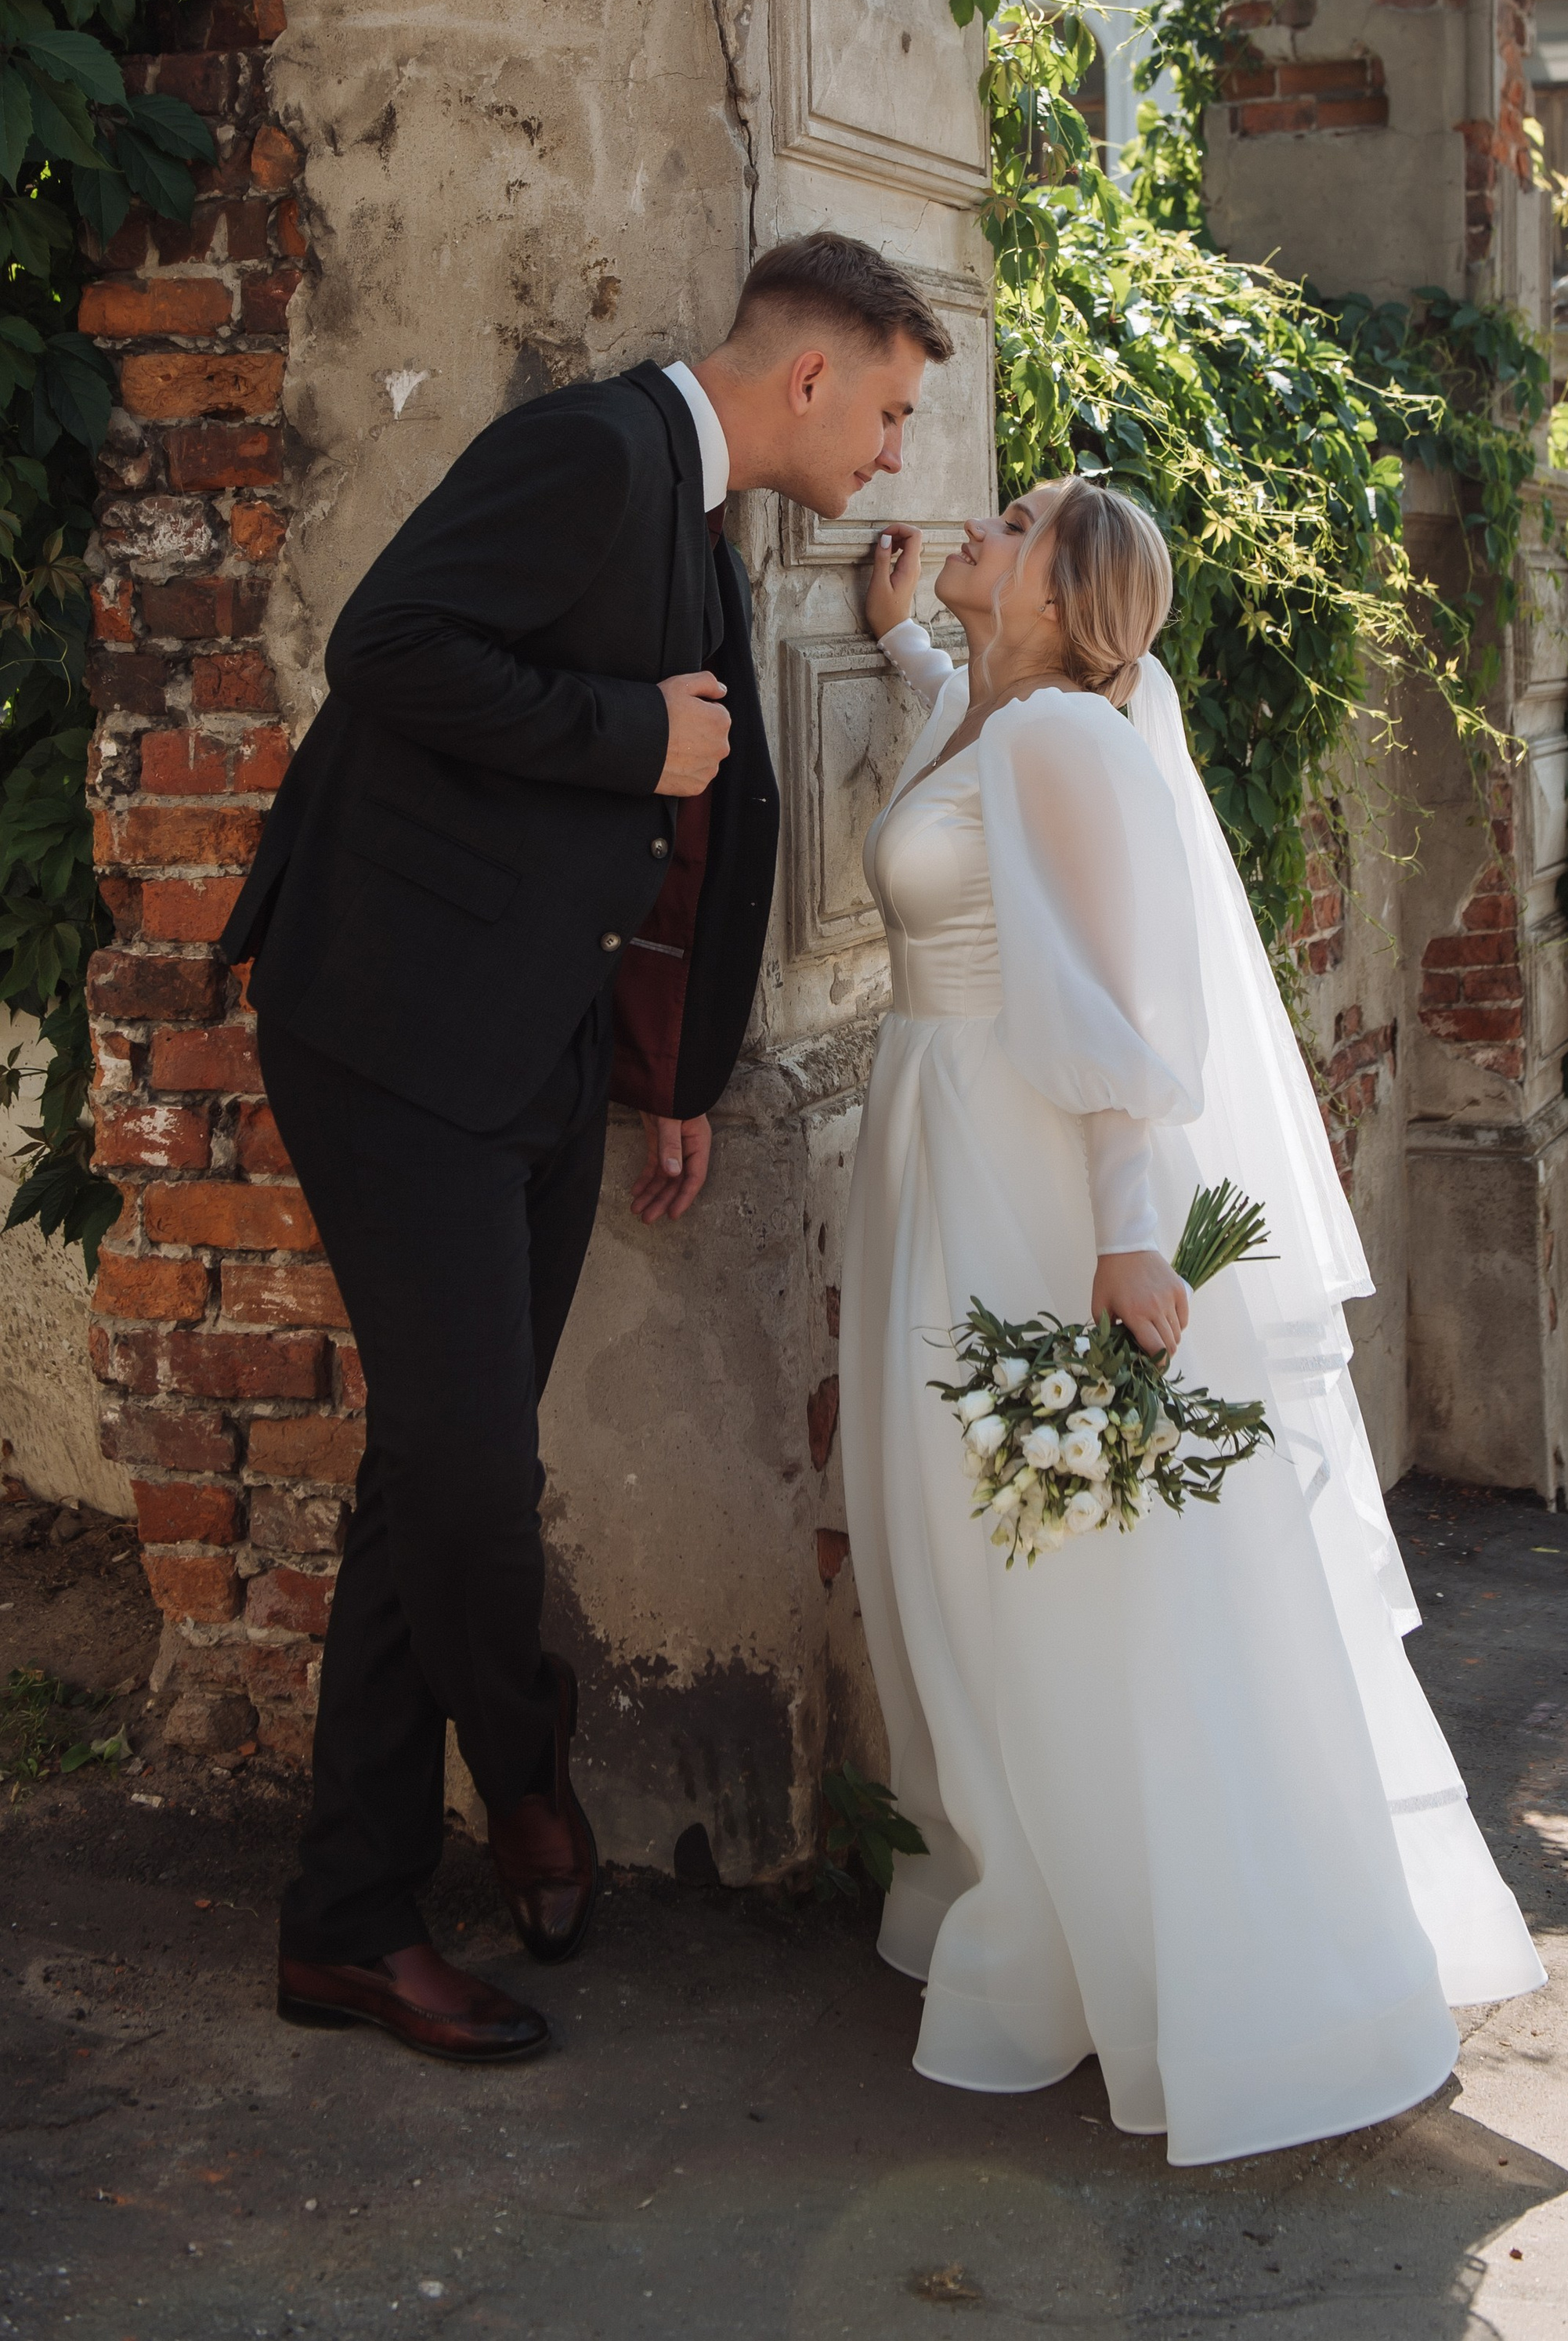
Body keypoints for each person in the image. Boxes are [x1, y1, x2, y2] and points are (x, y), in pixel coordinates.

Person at [221, 234, 951, 2063]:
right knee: (466, 1474)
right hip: (390, 1032)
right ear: (807, 375)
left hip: (533, 1053)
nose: (891, 451)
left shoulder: (695, 526)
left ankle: (348, 1920)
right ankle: (527, 1775)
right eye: (888, 407)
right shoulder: (595, 456)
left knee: (427, 1477)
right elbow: (383, 649)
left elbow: (711, 827)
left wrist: (670, 1068)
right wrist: (626, 734)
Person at [843, 478, 1544, 2166]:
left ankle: (1149, 1948)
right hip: (934, 1149)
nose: (976, 521)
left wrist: (1126, 1242)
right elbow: (970, 798)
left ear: (1060, 591)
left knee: (1052, 1559)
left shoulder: (1068, 743)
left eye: (1008, 525)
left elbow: (1118, 1003)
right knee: (957, 1545)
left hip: (1023, 1179)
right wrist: (902, 650)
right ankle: (1026, 1897)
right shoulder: (997, 718)